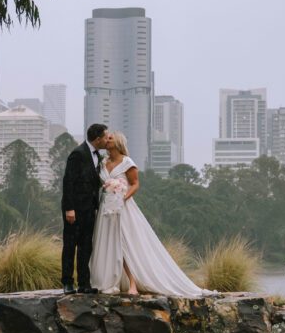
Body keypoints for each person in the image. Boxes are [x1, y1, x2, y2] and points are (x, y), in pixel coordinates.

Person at [89, 131, 211, 297]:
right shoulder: (103, 162)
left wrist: (122, 197)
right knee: (109, 244)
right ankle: (111, 280)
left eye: (109, 138)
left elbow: (135, 184)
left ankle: (133, 282)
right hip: (106, 209)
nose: (106, 140)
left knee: (125, 244)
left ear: (117, 142)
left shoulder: (127, 162)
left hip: (123, 207)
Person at [60, 123, 110, 295]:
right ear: (97, 139)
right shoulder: (78, 154)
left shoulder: (98, 156)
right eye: (106, 136)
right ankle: (67, 282)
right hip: (75, 209)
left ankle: (84, 283)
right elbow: (68, 182)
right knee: (70, 244)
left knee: (86, 246)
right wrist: (69, 209)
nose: (107, 139)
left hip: (90, 208)